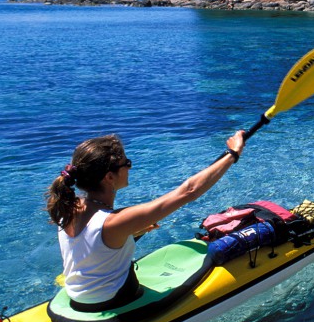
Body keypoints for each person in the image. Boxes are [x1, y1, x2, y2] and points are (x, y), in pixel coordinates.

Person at [46, 130, 245, 311]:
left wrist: (130, 234)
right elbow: (188, 191)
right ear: (109, 177)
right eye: (127, 163)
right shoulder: (115, 221)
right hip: (115, 300)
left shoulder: (68, 206)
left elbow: (89, 243)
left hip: (78, 298)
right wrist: (233, 154)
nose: (130, 167)